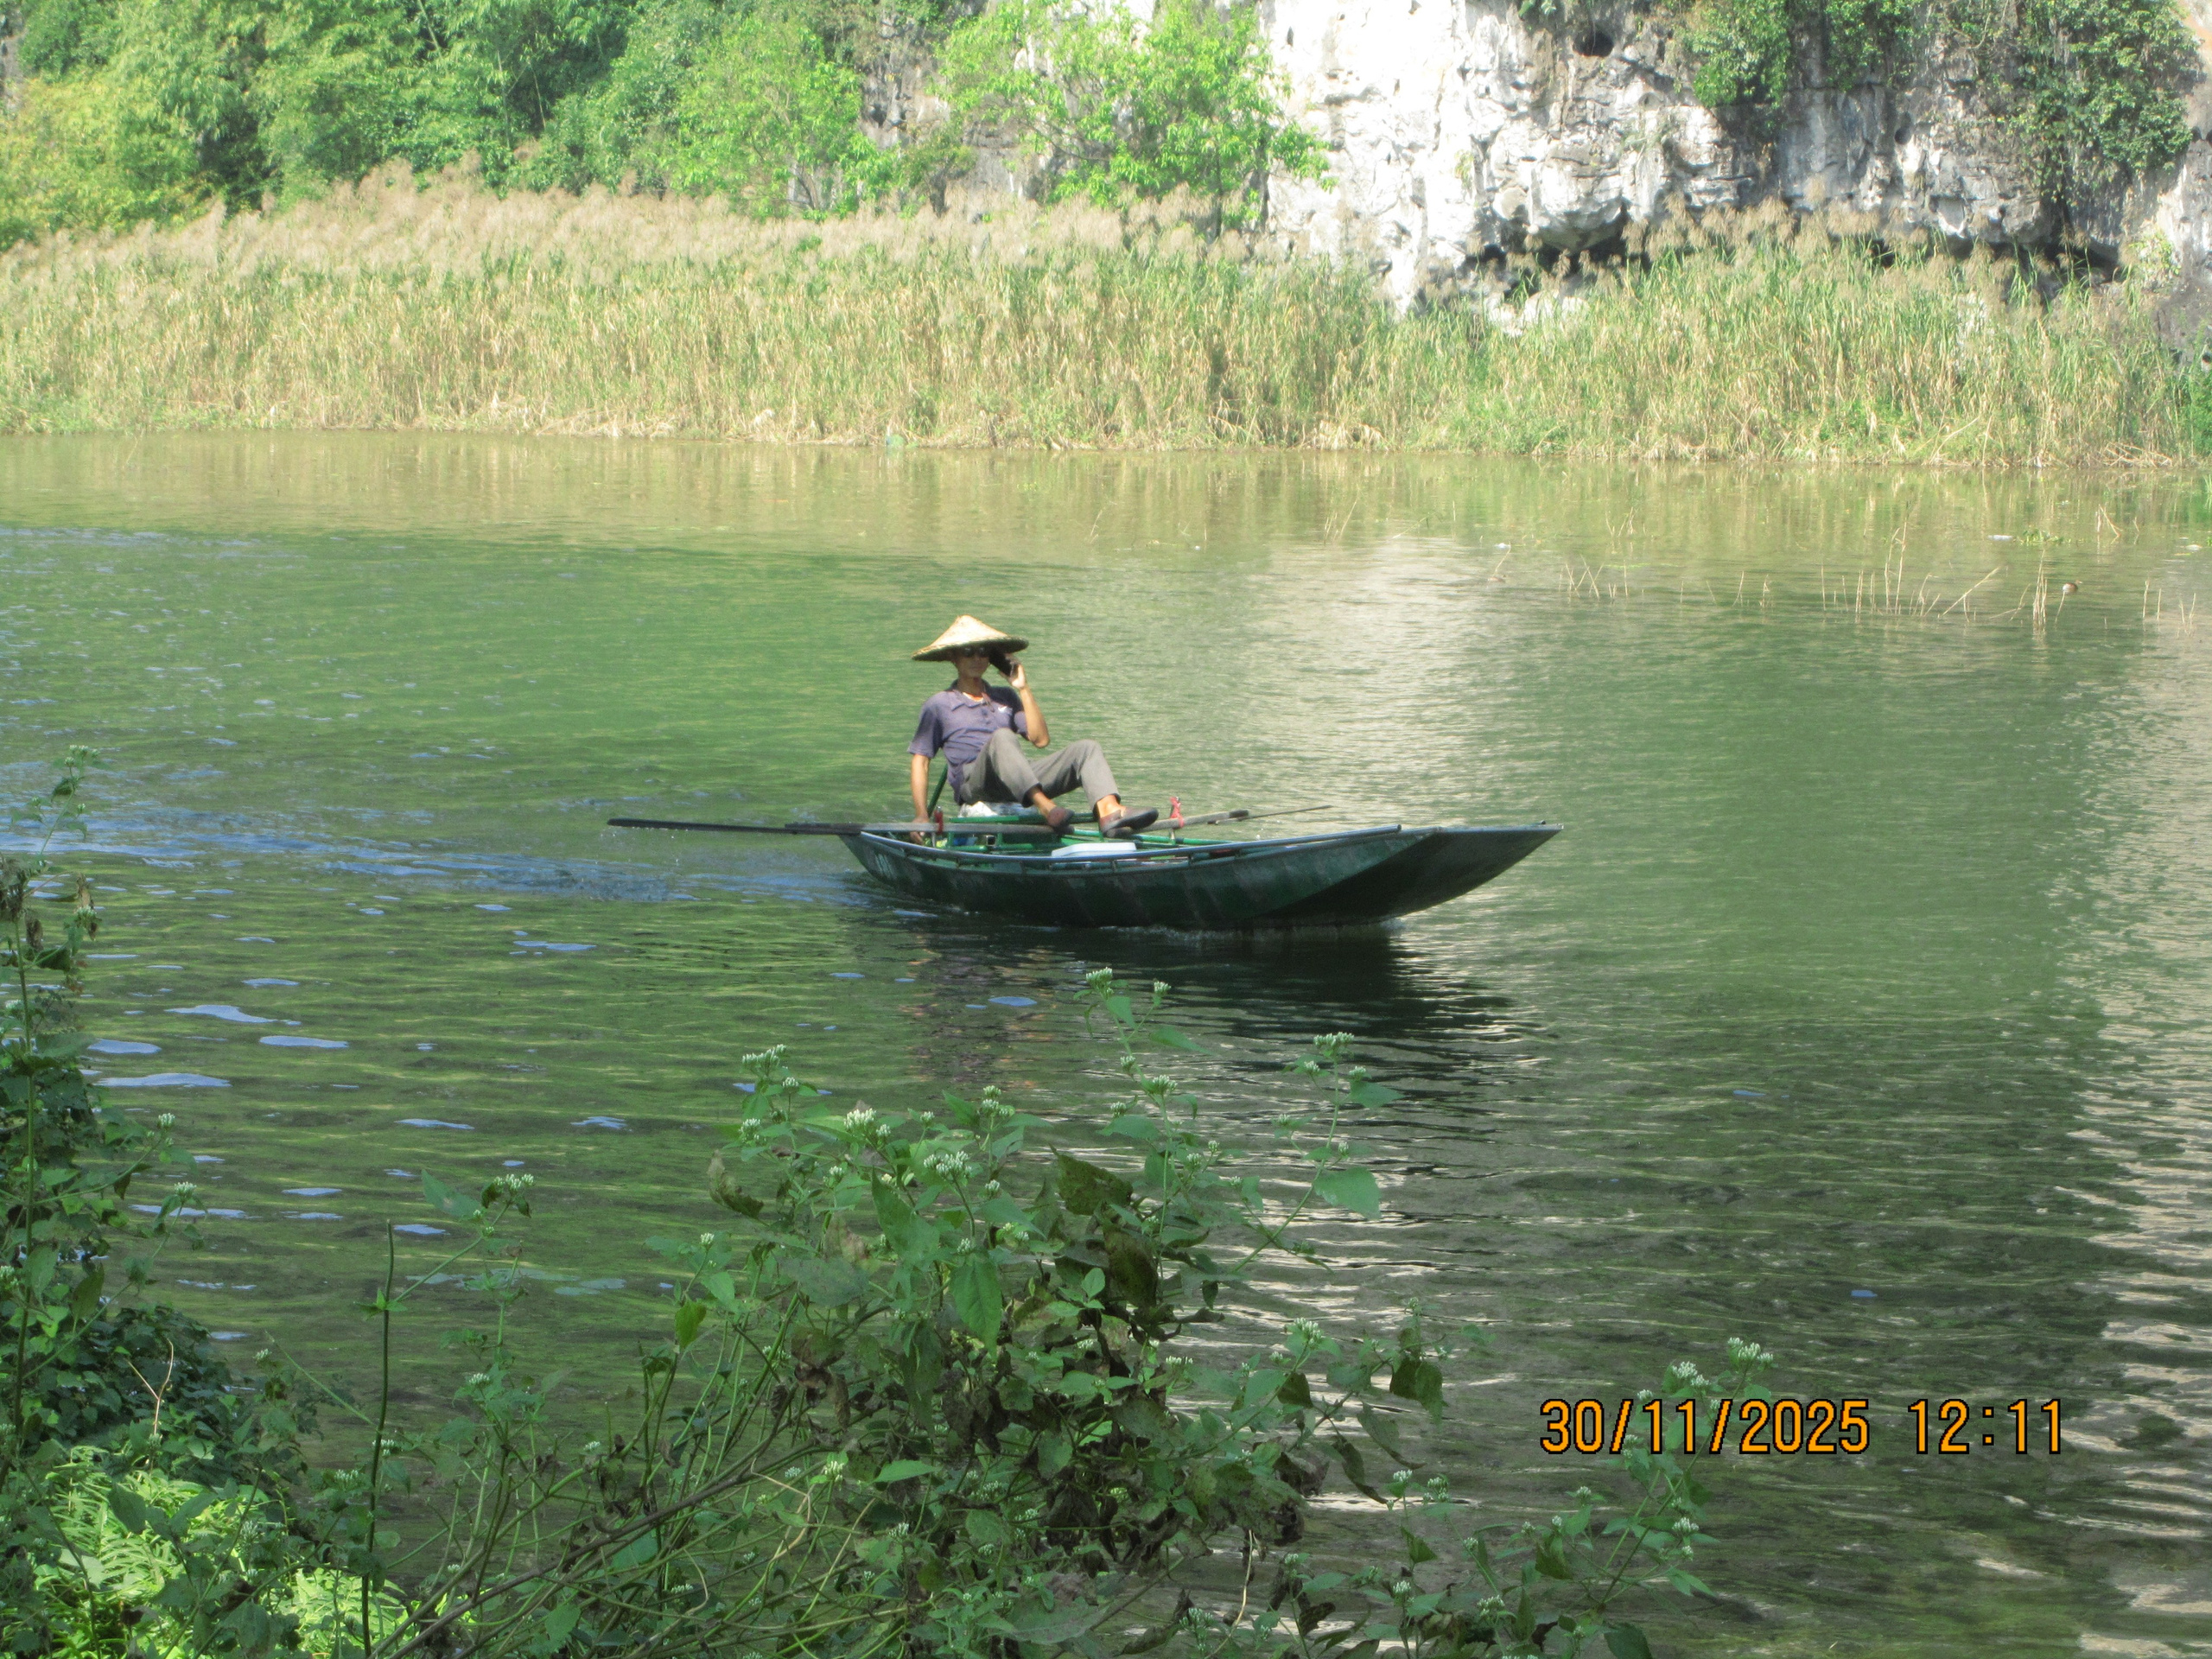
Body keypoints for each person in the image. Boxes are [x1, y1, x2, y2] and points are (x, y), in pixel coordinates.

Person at [907, 615, 1158, 837]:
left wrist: (1023, 688)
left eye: (983, 651)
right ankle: (1046, 808)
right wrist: (921, 814)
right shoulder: (939, 704)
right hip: (976, 782)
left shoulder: (1005, 696)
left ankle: (1109, 813)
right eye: (968, 651)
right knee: (1003, 737)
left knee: (1086, 749)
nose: (977, 658)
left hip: (1017, 777)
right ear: (953, 657)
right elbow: (921, 762)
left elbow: (1040, 740)